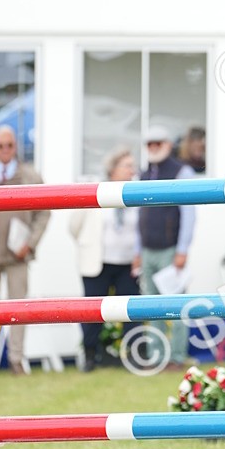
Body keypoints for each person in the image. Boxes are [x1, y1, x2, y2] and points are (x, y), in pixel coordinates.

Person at [0, 125, 50, 375]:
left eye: (9, 145)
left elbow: (44, 212)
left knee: (19, 310)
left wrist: (30, 243)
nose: (5, 150)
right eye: (1, 146)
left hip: (18, 254)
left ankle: (17, 359)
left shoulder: (31, 175)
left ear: (16, 147)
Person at [68, 148, 142, 371]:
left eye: (132, 166)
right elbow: (74, 225)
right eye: (127, 166)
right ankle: (90, 355)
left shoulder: (138, 193)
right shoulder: (95, 191)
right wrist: (86, 245)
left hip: (128, 264)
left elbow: (143, 228)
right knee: (92, 312)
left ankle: (133, 356)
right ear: (113, 169)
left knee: (132, 312)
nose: (132, 170)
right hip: (97, 263)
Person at [138, 124, 195, 369]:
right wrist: (137, 252)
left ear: (168, 145)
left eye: (157, 143)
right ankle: (156, 357)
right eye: (149, 144)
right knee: (151, 308)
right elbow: (138, 215)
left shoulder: (182, 171)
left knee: (175, 306)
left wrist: (182, 249)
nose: (153, 148)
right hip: (148, 249)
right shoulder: (143, 174)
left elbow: (189, 214)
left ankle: (178, 357)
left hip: (170, 249)